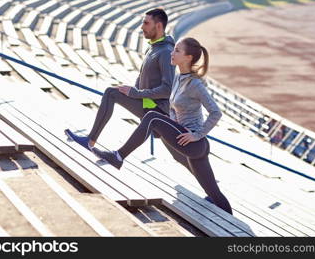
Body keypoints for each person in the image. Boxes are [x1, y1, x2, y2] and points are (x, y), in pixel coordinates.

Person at [91, 37, 233, 214]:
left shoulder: (195, 83)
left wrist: (197, 134)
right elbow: (174, 105)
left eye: (177, 51)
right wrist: (173, 120)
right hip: (188, 142)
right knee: (215, 195)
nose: (172, 53)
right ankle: (237, 229)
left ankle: (118, 156)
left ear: (188, 57)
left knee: (152, 117)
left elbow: (216, 112)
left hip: (194, 143)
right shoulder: (178, 77)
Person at [65, 8, 175, 149]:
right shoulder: (154, 47)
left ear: (158, 26)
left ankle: (91, 142)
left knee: (111, 93)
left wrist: (135, 94)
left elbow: (168, 89)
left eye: (146, 23)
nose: (142, 27)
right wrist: (132, 90)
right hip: (146, 103)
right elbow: (142, 76)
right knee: (113, 92)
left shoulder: (166, 52)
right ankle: (93, 143)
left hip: (157, 110)